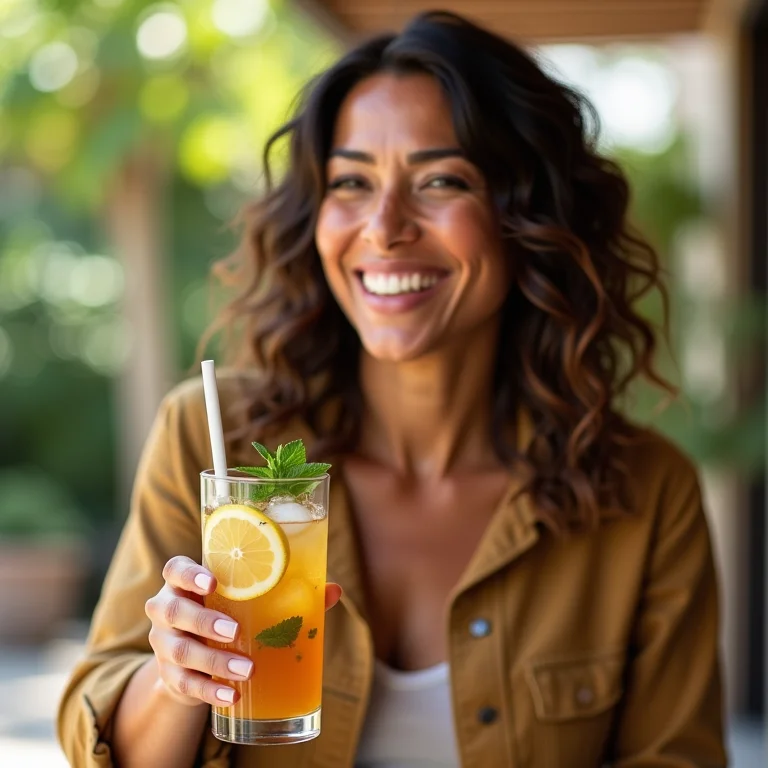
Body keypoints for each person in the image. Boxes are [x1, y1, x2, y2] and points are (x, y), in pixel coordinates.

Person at [57, 10, 728, 768]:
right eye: (351, 182)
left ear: (528, 217)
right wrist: (175, 679)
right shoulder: (212, 444)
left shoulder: (646, 494)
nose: (383, 227)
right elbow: (105, 748)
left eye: (441, 179)